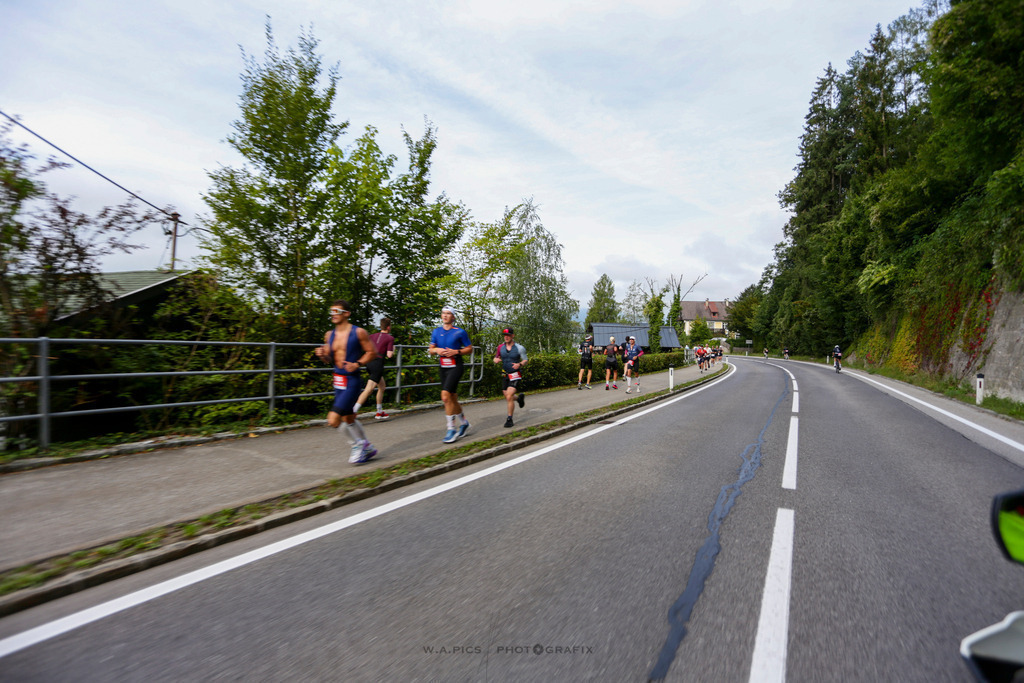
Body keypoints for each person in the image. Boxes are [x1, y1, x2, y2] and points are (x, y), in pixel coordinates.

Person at [314, 300, 379, 464]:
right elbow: (329, 359)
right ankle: (368, 447)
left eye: (337, 311)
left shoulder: (358, 332)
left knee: (333, 419)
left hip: (351, 381)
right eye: (332, 311)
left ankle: (357, 445)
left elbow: (372, 352)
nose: (333, 314)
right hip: (338, 380)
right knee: (349, 418)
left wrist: (357, 364)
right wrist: (322, 354)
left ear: (346, 314)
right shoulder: (330, 335)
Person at [428, 306, 473, 443]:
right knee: (452, 398)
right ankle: (464, 423)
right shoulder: (436, 332)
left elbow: (469, 349)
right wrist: (437, 350)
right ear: (441, 316)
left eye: (448, 314)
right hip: (443, 367)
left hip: (456, 366)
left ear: (453, 317)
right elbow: (430, 350)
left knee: (445, 396)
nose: (445, 316)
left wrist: (456, 352)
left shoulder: (459, 332)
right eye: (443, 313)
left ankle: (451, 429)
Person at [354, 317, 395, 420]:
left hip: (369, 362)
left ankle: (379, 411)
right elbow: (389, 355)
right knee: (369, 389)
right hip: (378, 364)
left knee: (382, 387)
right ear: (389, 327)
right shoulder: (390, 338)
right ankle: (353, 412)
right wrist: (393, 349)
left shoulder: (371, 336)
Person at [493, 327, 528, 427]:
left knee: (509, 396)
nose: (506, 337)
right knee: (507, 396)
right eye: (505, 335)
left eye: (508, 335)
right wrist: (495, 359)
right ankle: (519, 399)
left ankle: (509, 419)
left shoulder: (519, 348)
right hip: (505, 373)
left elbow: (525, 360)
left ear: (513, 336)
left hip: (515, 373)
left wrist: (520, 364)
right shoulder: (500, 347)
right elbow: (496, 357)